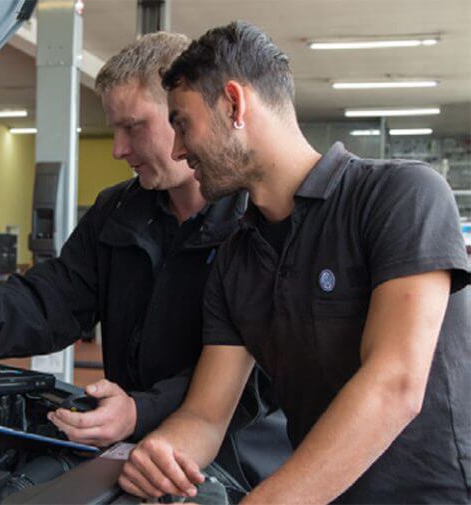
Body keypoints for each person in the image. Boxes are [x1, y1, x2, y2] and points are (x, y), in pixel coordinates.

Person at [0, 32, 290, 495]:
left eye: (133, 127)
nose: (118, 149)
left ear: (178, 113)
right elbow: (53, 298)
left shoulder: (259, 222)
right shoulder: (119, 210)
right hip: (129, 448)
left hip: (237, 466)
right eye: (116, 130)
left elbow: (264, 374)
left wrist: (141, 410)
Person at [118, 21, 471, 503]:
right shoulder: (235, 258)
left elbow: (395, 384)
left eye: (182, 124)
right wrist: (163, 453)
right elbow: (205, 416)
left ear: (235, 104)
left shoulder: (401, 196)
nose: (178, 149)